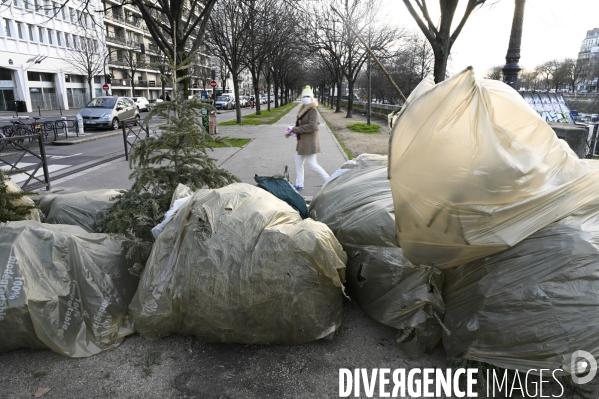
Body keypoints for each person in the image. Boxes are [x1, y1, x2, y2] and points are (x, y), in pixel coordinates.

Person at [285, 85, 329, 191]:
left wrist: (295, 129)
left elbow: (312, 126)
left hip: (310, 142)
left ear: (312, 98)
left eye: (308, 96)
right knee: (298, 162)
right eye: (304, 96)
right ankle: (299, 184)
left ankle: (329, 180)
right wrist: (292, 130)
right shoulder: (303, 109)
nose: (305, 98)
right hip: (303, 142)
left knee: (312, 164)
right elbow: (301, 124)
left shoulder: (313, 110)